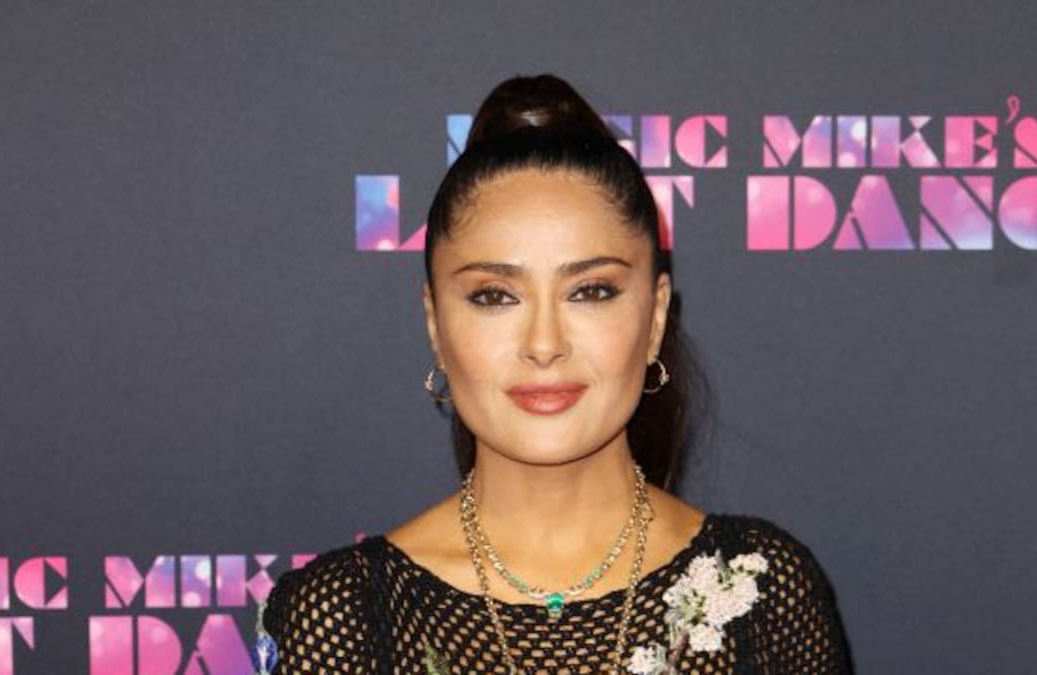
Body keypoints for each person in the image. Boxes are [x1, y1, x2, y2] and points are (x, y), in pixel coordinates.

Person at [256, 74, 852, 674]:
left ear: (654, 319)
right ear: (436, 324)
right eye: (494, 296)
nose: (544, 345)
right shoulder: (338, 618)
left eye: (591, 291)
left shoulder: (763, 593)